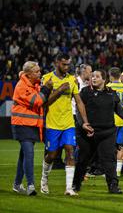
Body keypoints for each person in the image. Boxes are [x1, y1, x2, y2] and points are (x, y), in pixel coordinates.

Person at [73, 70, 123, 194]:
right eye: (92, 76)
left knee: (109, 160)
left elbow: (119, 110)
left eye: (97, 76)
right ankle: (76, 184)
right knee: (83, 159)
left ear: (104, 80)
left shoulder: (111, 93)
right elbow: (78, 110)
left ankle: (113, 186)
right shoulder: (85, 92)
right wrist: (83, 124)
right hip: (88, 133)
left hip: (107, 133)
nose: (94, 78)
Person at [40, 53, 93, 196]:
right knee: (52, 155)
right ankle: (44, 179)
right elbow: (44, 103)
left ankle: (69, 188)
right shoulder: (47, 78)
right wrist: (59, 90)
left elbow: (79, 101)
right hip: (52, 123)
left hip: (68, 123)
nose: (66, 67)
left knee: (70, 151)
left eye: (68, 64)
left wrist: (85, 121)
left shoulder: (71, 79)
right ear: (57, 62)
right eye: (64, 64)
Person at [11, 61, 53, 195]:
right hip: (22, 124)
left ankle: (17, 184)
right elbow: (38, 101)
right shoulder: (22, 86)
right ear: (28, 74)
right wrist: (46, 88)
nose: (40, 73)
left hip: (31, 125)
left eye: (39, 71)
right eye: (36, 71)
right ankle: (31, 185)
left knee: (23, 156)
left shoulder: (33, 84)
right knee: (29, 154)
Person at [107, 67, 123, 177]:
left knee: (109, 146)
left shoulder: (108, 87)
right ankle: (118, 172)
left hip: (111, 120)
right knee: (120, 146)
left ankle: (108, 170)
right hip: (122, 121)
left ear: (110, 75)